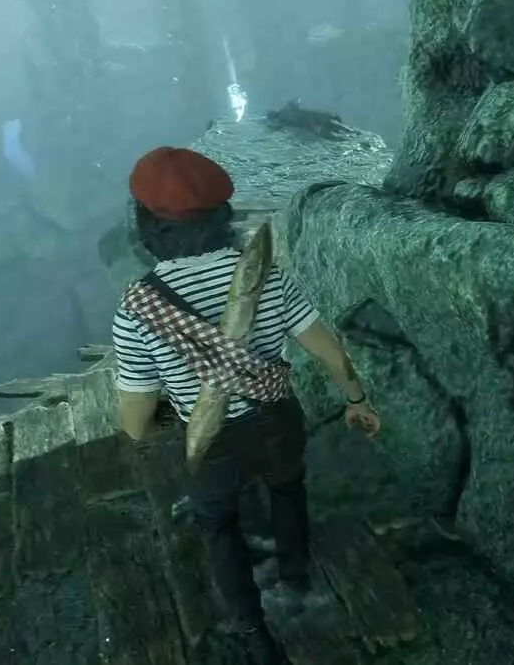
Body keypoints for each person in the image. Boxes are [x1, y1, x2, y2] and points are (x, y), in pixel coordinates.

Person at [110, 146, 381, 663]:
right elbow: (330, 353)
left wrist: (169, 415)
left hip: (210, 439)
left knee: (219, 525)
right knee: (287, 491)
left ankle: (253, 631)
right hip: (278, 419)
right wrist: (356, 400)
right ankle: (296, 577)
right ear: (222, 215)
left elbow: (136, 423)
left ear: (146, 225)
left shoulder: (137, 308)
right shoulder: (266, 275)